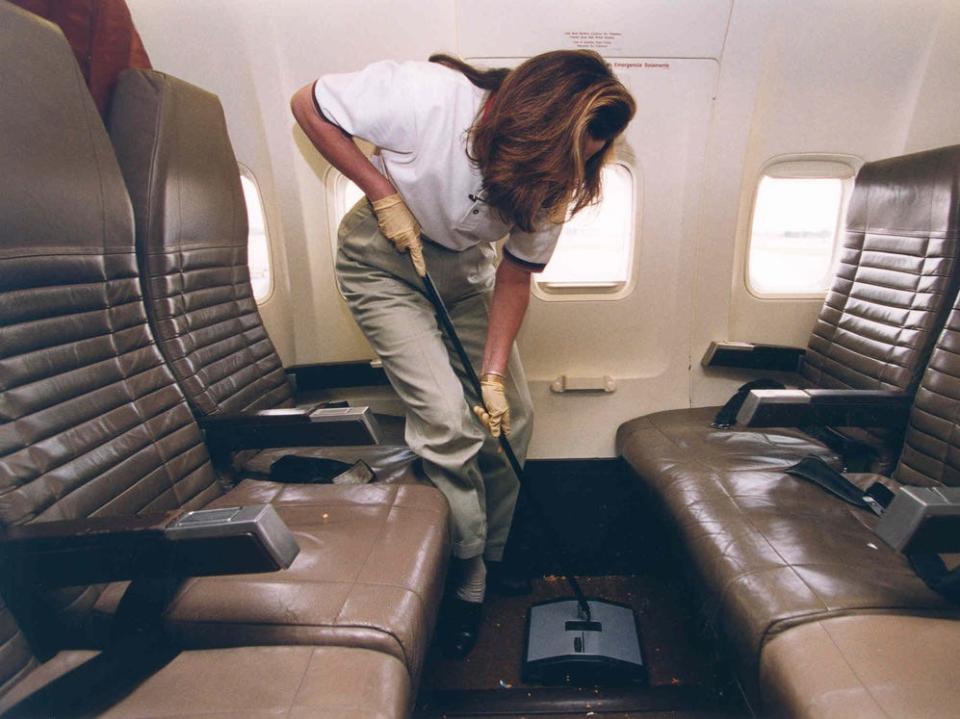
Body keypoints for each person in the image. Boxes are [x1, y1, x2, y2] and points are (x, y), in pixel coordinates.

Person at [291, 50, 635, 657]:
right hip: (383, 266)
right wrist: (379, 192)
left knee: (513, 416)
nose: (567, 170)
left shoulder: (556, 182)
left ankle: (495, 552)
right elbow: (307, 104)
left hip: (466, 278)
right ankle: (465, 577)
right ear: (536, 122)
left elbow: (514, 277)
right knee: (449, 422)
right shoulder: (428, 96)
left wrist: (495, 375)